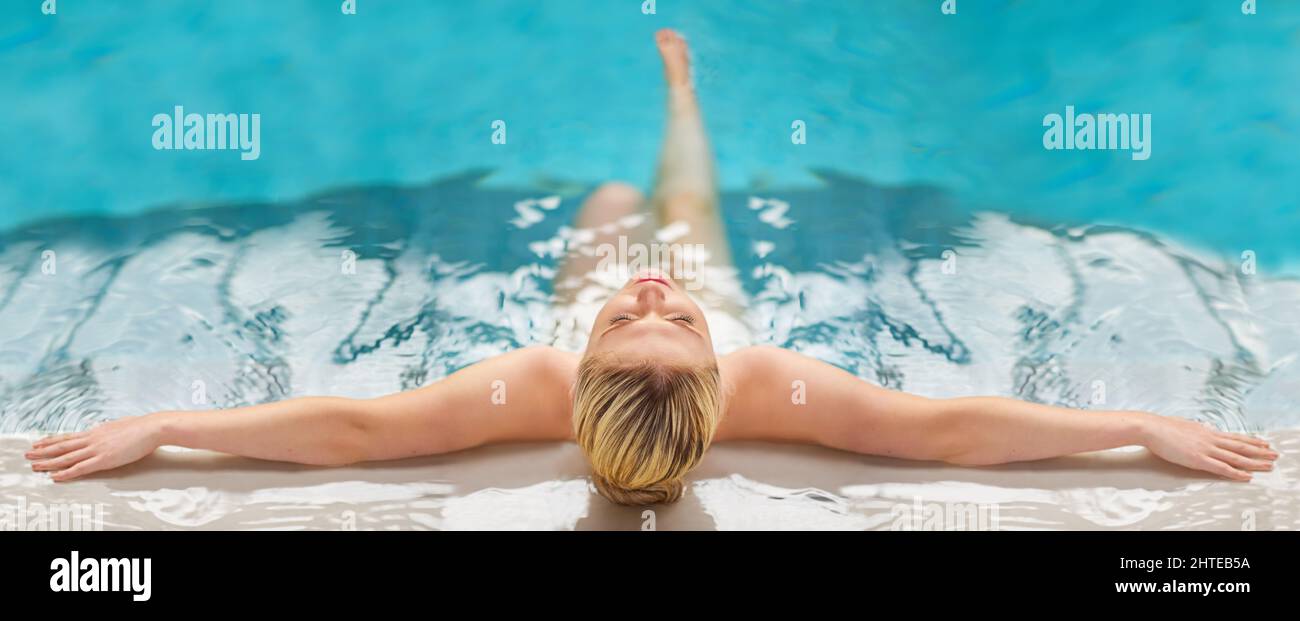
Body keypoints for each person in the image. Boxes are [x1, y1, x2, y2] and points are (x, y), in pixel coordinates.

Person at [25, 30, 1277, 506]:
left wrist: (169, 429)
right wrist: (1134, 428)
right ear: (715, 377)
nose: (651, 296)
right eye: (666, 324)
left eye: (637, 323)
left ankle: (661, 112)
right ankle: (684, 94)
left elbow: (351, 432)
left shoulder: (530, 376)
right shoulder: (757, 368)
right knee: (680, 203)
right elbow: (952, 432)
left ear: (579, 379)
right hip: (747, 279)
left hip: (555, 278)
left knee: (614, 208)